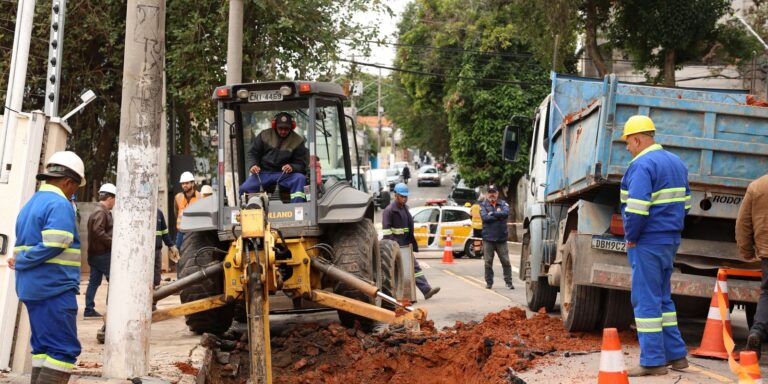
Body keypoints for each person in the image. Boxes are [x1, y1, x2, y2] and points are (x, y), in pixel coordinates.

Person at [619, 115, 689, 376]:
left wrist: (632, 236)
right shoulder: (677, 162)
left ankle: (652, 361)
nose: (627, 147)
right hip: (669, 239)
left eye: (627, 142)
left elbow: (636, 209)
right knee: (663, 299)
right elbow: (687, 204)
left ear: (637, 139)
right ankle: (677, 356)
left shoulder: (641, 165)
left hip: (647, 240)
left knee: (646, 300)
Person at [9, 151, 86, 384]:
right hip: (54, 287)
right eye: (75, 187)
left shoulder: (31, 204)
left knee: (43, 349)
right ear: (67, 182)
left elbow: (24, 245)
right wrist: (23, 260)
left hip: (32, 287)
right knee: (63, 350)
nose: (74, 192)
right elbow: (56, 242)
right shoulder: (59, 203)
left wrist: (22, 260)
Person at [382, 183, 441, 300]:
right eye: (402, 196)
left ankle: (426, 290)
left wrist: (410, 243)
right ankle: (398, 298)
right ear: (396, 195)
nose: (404, 198)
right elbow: (387, 233)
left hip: (405, 246)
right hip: (395, 248)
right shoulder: (389, 211)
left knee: (415, 268)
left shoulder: (405, 209)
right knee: (398, 272)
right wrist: (395, 246)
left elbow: (408, 228)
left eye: (405, 196)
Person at [239, 112, 309, 202]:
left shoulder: (298, 141)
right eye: (280, 128)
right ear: (274, 125)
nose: (283, 131)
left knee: (300, 179)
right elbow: (253, 153)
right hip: (263, 174)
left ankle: (298, 209)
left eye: (286, 129)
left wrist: (292, 167)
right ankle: (247, 211)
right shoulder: (264, 136)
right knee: (244, 188)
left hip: (286, 175)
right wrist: (253, 165)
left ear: (292, 127)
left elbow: (301, 163)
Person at [736, 173, 768, 359]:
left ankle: (756, 332)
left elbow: (743, 223)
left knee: (767, 293)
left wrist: (746, 251)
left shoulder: (758, 186)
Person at [83, 183, 116, 319]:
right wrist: (113, 243)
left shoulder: (97, 211)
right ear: (110, 198)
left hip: (95, 254)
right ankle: (113, 308)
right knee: (115, 279)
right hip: (102, 255)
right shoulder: (101, 212)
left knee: (94, 281)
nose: (114, 203)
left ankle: (89, 309)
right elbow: (98, 231)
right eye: (114, 199)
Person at [479, 185, 513, 290]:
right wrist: (499, 216)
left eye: (494, 192)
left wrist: (493, 213)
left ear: (497, 193)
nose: (492, 194)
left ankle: (508, 282)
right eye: (490, 192)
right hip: (488, 239)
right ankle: (489, 283)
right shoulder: (483, 205)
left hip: (501, 239)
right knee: (488, 262)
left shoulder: (503, 204)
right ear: (487, 194)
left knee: (506, 262)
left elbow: (506, 213)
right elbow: (485, 218)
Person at [174, 171, 200, 249]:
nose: (184, 185)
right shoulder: (178, 197)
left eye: (187, 183)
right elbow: (176, 212)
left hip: (195, 231)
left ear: (192, 183)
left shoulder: (200, 197)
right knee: (178, 252)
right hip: (181, 231)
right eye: (183, 183)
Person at [155, 208, 179, 289]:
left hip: (156, 252)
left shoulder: (159, 213)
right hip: (144, 253)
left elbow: (164, 232)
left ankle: (153, 301)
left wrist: (171, 246)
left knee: (156, 279)